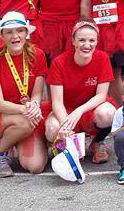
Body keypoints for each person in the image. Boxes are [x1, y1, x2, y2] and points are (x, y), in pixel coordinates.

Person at [0, 12, 50, 177]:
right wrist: (27, 111)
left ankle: (17, 140)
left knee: (35, 166)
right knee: (26, 122)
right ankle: (0, 154)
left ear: (26, 33)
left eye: (20, 31)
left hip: (26, 114)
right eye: (9, 32)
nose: (15, 36)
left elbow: (37, 93)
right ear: (2, 36)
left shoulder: (38, 55)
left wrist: (34, 105)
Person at [45, 20, 117, 164]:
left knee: (108, 113)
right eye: (81, 40)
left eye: (92, 40)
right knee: (53, 128)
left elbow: (101, 95)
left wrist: (79, 111)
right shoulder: (59, 63)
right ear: (73, 41)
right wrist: (65, 125)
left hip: (89, 108)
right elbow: (57, 102)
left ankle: (97, 142)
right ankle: (66, 146)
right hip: (66, 108)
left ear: (97, 41)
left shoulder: (102, 58)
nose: (87, 45)